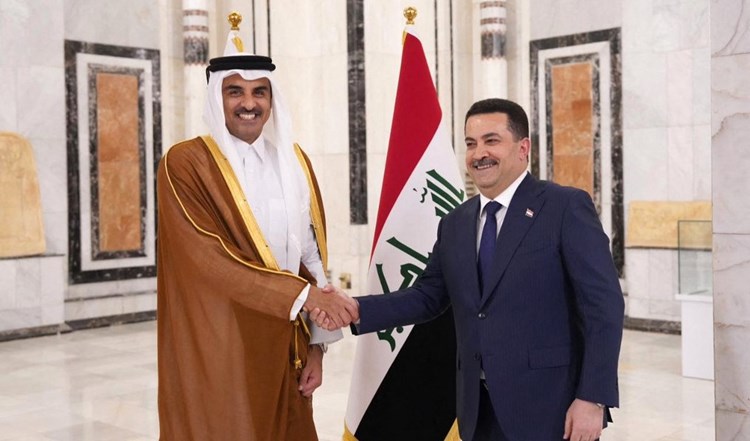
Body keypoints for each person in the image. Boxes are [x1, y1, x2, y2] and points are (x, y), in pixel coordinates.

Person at [315, 98, 624, 441]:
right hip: (478, 410)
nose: (479, 154)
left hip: (550, 408)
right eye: (471, 143)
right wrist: (356, 309)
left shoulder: (564, 206)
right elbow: (427, 297)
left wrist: (592, 398)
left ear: (523, 148)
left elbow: (604, 307)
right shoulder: (455, 222)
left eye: (492, 141)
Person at [156, 22, 357, 441]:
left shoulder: (293, 160)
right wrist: (306, 297)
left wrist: (317, 345)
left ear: (271, 99)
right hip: (221, 342)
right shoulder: (185, 163)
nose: (249, 103)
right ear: (217, 97)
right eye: (235, 92)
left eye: (259, 92)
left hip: (289, 342)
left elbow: (310, 256)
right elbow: (208, 259)